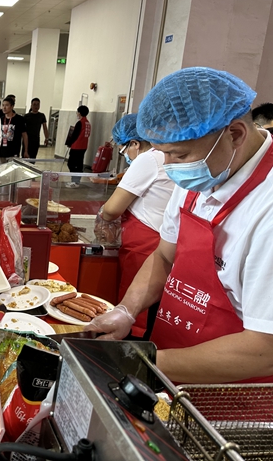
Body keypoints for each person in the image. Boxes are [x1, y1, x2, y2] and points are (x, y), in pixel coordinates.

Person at [86, 67, 273, 384]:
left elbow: (264, 349)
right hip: (171, 364)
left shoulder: (265, 208)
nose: (170, 168)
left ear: (236, 134)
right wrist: (127, 310)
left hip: (232, 395)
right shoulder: (206, 173)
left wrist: (139, 363)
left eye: (180, 154)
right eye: (163, 154)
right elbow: (163, 256)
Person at [94, 113, 174, 338]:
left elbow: (112, 208)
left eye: (124, 149)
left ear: (135, 143)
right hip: (159, 239)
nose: (126, 155)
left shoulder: (149, 158)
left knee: (134, 313)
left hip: (145, 245)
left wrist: (102, 219)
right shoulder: (164, 157)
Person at [65, 105, 91, 188]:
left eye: (77, 111)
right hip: (83, 147)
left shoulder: (80, 123)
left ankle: (75, 181)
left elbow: (75, 135)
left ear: (79, 112)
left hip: (76, 147)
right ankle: (76, 181)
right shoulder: (88, 123)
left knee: (72, 164)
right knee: (79, 164)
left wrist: (69, 142)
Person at [0, 96, 28, 162]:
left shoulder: (19, 119)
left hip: (13, 152)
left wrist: (25, 151)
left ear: (12, 106)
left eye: (7, 105)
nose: (4, 107)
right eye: (3, 105)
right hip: (1, 152)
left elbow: (24, 135)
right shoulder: (0, 119)